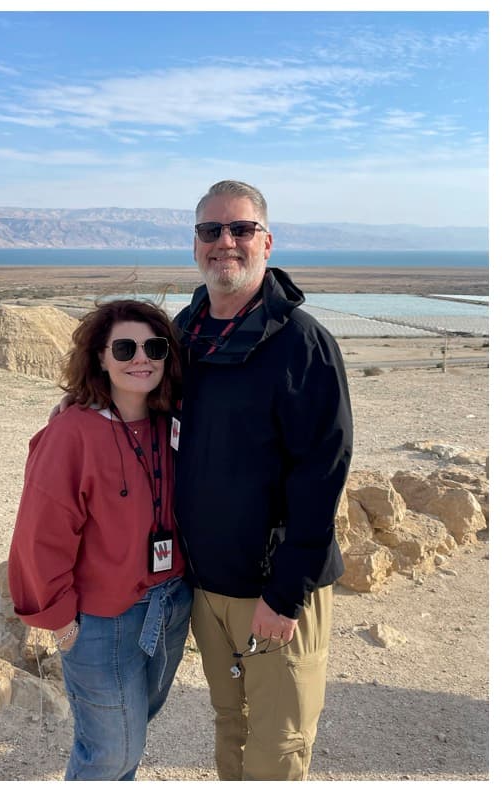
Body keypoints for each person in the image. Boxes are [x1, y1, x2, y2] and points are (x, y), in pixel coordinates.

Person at [171, 180, 353, 781]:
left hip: (275, 593)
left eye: (240, 229)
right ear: (196, 245)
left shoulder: (302, 345)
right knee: (230, 726)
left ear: (266, 242)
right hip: (208, 587)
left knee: (278, 745)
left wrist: (286, 593)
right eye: (211, 231)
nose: (225, 242)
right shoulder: (185, 333)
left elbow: (322, 474)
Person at [8, 299, 192, 781]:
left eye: (154, 347)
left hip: (169, 605)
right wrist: (61, 620)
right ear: (100, 358)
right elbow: (39, 534)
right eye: (125, 347)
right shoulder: (72, 433)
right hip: (102, 620)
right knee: (110, 750)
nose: (141, 358)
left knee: (129, 737)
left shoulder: (171, 421)